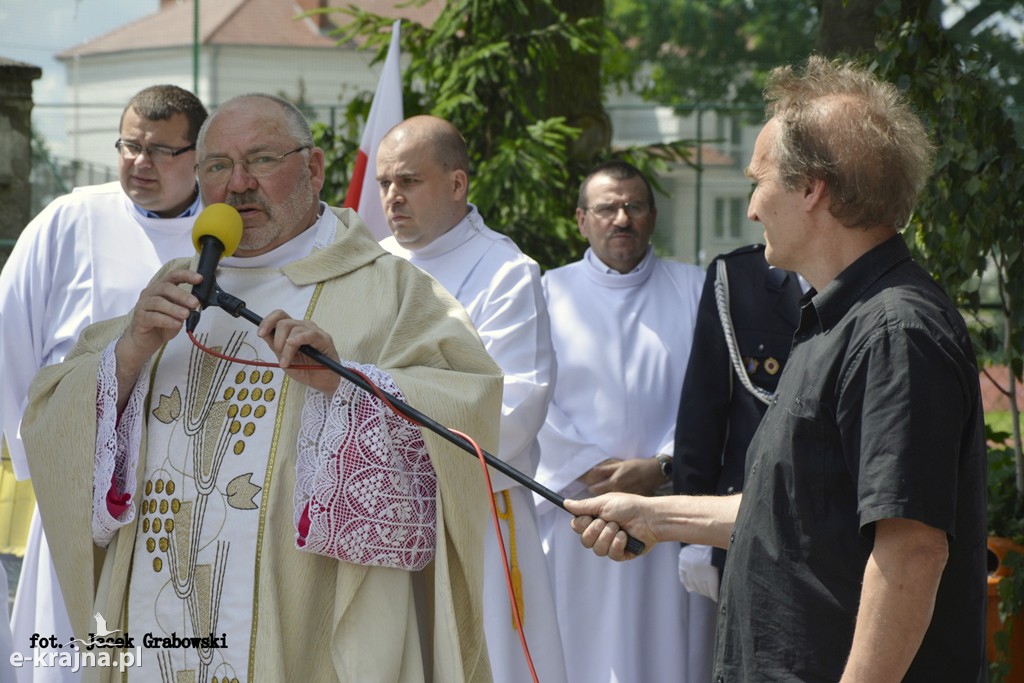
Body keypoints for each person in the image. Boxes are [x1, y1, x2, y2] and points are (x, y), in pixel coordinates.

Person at [21, 94, 503, 682]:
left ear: (315, 168)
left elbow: (468, 410)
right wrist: (126, 357)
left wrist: (348, 387)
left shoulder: (392, 290)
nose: (239, 183)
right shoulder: (174, 286)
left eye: (262, 159)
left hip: (308, 628)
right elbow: (51, 418)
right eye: (217, 165)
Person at [565, 56, 988, 682]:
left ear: (811, 187)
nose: (751, 209)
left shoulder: (895, 334)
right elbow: (795, 510)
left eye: (758, 182)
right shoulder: (836, 318)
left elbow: (912, 553)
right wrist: (653, 516)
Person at [0, 84, 208, 682]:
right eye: (129, 146)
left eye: (161, 151)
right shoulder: (70, 219)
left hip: (189, 487)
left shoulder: (230, 238)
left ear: (198, 155)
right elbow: (11, 340)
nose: (140, 163)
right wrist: (49, 455)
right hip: (79, 476)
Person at [376, 115, 568, 683]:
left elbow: (511, 411)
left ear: (457, 184)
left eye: (408, 181)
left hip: (473, 514)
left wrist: (388, 409)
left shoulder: (506, 272)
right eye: (386, 183)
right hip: (377, 514)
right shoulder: (373, 263)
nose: (392, 197)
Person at [536, 160, 715, 683]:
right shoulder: (547, 292)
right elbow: (526, 396)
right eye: (607, 208)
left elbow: (716, 400)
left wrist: (660, 467)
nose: (621, 219)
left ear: (653, 216)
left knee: (668, 651)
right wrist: (591, 467)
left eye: (634, 207)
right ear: (581, 220)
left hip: (669, 508)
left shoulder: (697, 289)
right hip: (577, 513)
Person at [672, 243, 804, 601]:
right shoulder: (737, 278)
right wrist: (695, 537)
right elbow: (703, 411)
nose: (754, 211)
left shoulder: (867, 280)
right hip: (748, 515)